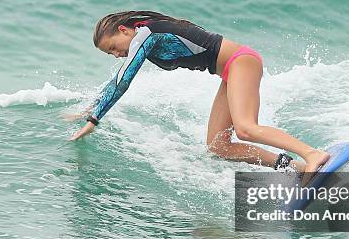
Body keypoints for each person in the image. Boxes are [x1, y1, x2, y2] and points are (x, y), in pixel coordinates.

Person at [64, 11, 330, 181]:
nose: (116, 54)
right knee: (219, 146)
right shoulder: (145, 35)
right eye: (110, 54)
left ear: (124, 30)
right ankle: (294, 167)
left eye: (113, 48)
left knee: (246, 129)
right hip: (229, 71)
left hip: (241, 62)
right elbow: (117, 78)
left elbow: (125, 79)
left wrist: (95, 119)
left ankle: (313, 154)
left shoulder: (146, 34)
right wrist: (93, 108)